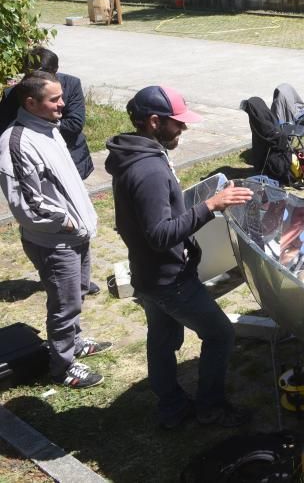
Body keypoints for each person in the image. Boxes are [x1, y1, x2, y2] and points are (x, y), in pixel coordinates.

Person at [106, 85, 253, 428]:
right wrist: (210, 206)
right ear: (154, 122)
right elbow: (160, 235)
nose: (183, 129)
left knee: (161, 340)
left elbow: (144, 222)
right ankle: (211, 407)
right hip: (168, 278)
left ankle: (171, 408)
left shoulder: (135, 154)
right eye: (177, 123)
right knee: (219, 335)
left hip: (147, 273)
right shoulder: (149, 170)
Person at [0, 71, 107, 389]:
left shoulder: (48, 128)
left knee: (77, 294)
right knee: (64, 304)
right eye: (55, 99)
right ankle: (62, 366)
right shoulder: (15, 143)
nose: (63, 104)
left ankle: (74, 343)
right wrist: (66, 221)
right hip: (54, 242)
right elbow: (26, 205)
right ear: (31, 102)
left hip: (75, 235)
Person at [0, 47, 94, 181]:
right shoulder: (13, 93)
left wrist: (35, 129)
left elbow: (75, 123)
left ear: (54, 71)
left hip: (69, 156)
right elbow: (5, 128)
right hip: (31, 161)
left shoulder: (71, 84)